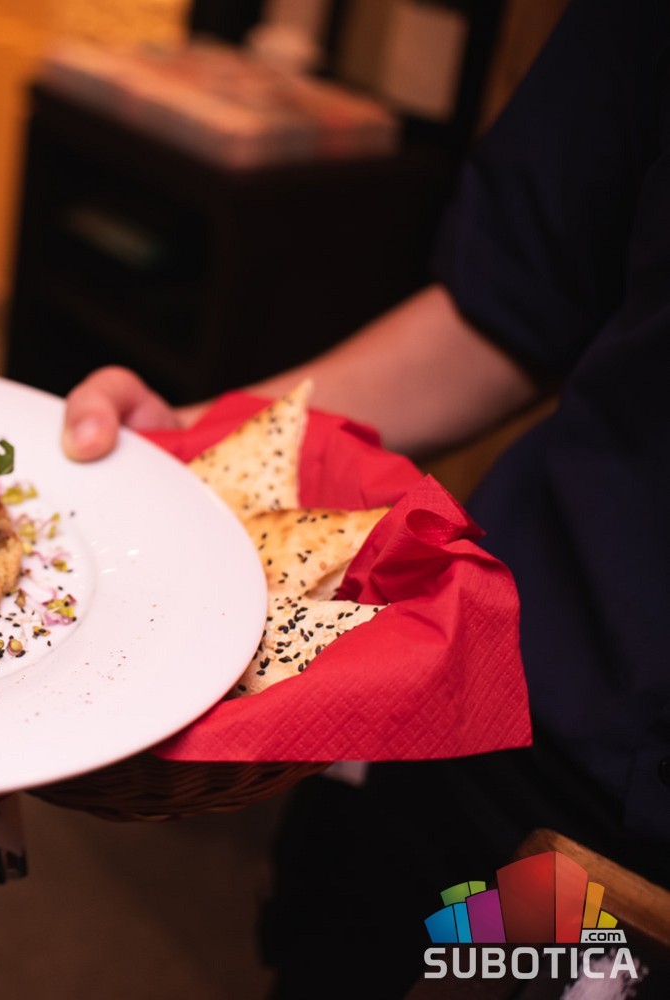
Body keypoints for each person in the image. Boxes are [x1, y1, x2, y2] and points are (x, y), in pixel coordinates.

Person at [60, 0, 670, 993]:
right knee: (367, 964)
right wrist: (188, 440)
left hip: (641, 868)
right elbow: (511, 303)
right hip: (505, 702)